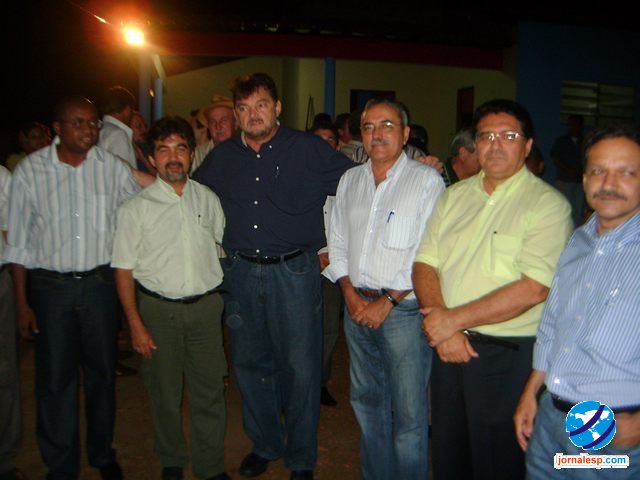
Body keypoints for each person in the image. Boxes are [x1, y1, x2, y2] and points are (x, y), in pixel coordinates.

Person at [193, 72, 354, 480]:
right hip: (242, 272)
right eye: (244, 108)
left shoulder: (308, 148)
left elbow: (360, 183)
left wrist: (414, 166)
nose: (253, 114)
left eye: (261, 105)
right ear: (236, 113)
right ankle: (265, 443)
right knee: (250, 363)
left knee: (300, 368)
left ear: (277, 107)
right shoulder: (223, 156)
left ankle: (301, 457)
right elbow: (189, 195)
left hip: (295, 272)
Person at [412, 99, 573, 480]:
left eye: (509, 136)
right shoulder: (453, 196)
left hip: (506, 356)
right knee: (449, 454)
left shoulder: (548, 206)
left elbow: (534, 288)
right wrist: (445, 327)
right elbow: (424, 264)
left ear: (528, 145)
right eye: (486, 136)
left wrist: (450, 321)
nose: (496, 145)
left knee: (498, 461)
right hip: (448, 348)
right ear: (476, 143)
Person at [4, 96, 149, 480]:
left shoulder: (109, 166)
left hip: (100, 286)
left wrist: (178, 183)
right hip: (51, 289)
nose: (89, 130)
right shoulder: (31, 172)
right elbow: (18, 245)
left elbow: (145, 199)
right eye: (79, 123)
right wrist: (22, 303)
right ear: (58, 128)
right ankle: (61, 462)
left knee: (102, 374)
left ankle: (102, 453)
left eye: (93, 123)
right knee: (55, 380)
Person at [324, 98, 444, 479]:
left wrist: (388, 301)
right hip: (356, 307)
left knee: (409, 415)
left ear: (405, 134)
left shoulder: (426, 182)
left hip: (404, 315)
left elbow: (428, 251)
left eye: (387, 125)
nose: (377, 134)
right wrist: (349, 294)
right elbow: (337, 240)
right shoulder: (350, 180)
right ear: (360, 134)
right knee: (367, 406)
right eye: (369, 126)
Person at [514, 125, 640, 479]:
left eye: (626, 172)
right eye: (598, 170)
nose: (609, 183)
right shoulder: (578, 241)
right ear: (584, 179)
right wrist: (531, 392)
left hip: (609, 429)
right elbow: (553, 324)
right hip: (551, 417)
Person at [112, 116, 229, 480]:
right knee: (164, 392)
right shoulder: (135, 209)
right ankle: (172, 460)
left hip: (206, 310)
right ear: (152, 158)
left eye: (180, 148)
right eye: (163, 150)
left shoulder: (209, 199)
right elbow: (123, 270)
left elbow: (222, 248)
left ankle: (210, 466)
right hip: (157, 312)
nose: (173, 157)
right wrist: (135, 324)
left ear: (192, 155)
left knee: (210, 391)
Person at [310, 121, 344, 407]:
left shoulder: (346, 181)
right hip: (301, 266)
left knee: (329, 329)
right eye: (317, 139)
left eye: (329, 140)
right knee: (298, 330)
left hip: (334, 269)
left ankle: (319, 382)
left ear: (337, 145)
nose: (323, 146)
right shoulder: (297, 176)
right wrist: (315, 253)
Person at [0, 165, 24, 480]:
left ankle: (4, 458)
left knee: (4, 373)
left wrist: (21, 299)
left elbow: (13, 237)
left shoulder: (1, 178)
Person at [551, 114, 585, 226]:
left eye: (575, 124)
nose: (573, 127)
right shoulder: (562, 141)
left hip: (580, 181)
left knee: (577, 210)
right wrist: (567, 169)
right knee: (561, 207)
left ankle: (575, 233)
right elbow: (555, 157)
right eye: (571, 124)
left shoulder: (585, 142)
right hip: (564, 179)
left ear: (581, 126)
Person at [192, 95, 237, 173]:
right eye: (212, 122)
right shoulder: (198, 155)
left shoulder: (248, 151)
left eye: (224, 120)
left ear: (236, 124)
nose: (218, 126)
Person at [99, 85, 137, 168]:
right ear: (127, 109)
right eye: (132, 110)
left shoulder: (99, 130)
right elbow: (122, 172)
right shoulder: (118, 134)